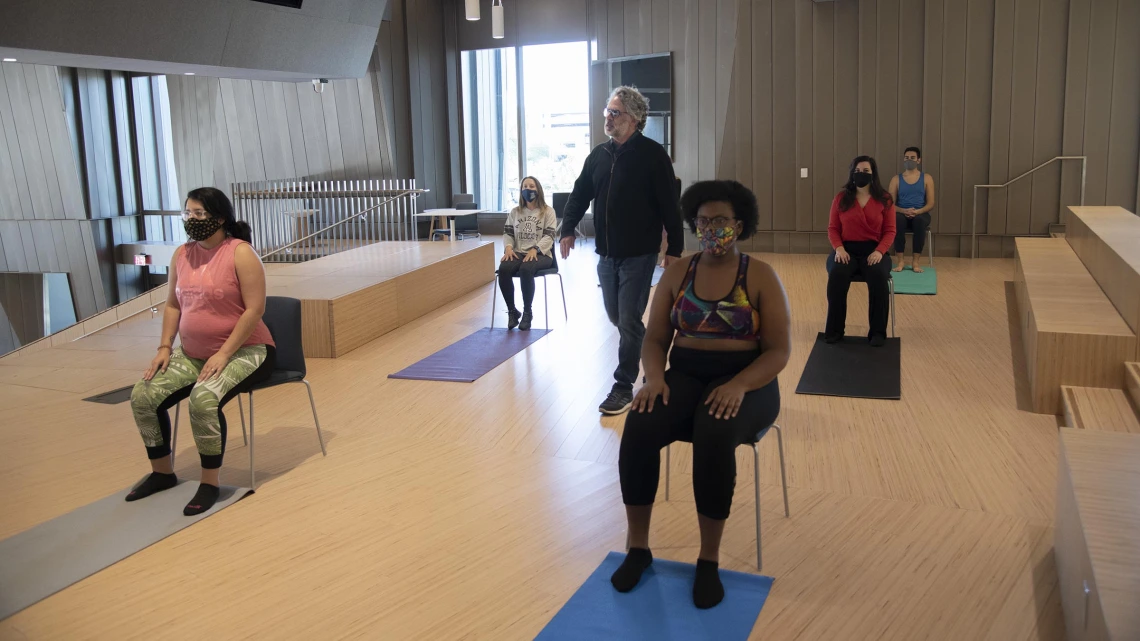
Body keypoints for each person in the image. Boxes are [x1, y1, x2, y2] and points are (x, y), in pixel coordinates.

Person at [611, 180, 790, 608]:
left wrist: (740, 384)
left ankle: (708, 560)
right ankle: (638, 547)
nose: (712, 229)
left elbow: (779, 351)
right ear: (694, 224)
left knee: (713, 433)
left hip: (749, 380)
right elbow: (654, 340)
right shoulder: (678, 272)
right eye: (704, 221)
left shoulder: (760, 275)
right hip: (686, 376)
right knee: (639, 425)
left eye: (722, 221)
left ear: (739, 225)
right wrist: (654, 378)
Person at [127, 187, 276, 516]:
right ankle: (162, 473)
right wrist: (165, 346)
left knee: (203, 399)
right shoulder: (181, 254)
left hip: (245, 350)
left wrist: (223, 353)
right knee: (143, 394)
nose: (191, 220)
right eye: (188, 213)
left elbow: (254, 311)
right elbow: (172, 306)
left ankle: (210, 482)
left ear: (219, 218)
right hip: (193, 353)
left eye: (199, 214)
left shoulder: (240, 253)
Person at [560, 86, 684, 415]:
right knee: (619, 317)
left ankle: (623, 384)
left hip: (640, 255)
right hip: (607, 255)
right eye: (607, 112)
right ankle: (648, 355)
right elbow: (579, 192)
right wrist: (567, 228)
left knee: (628, 317)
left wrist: (674, 248)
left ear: (633, 119)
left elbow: (671, 206)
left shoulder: (653, 156)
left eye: (614, 113)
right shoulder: (599, 156)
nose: (608, 118)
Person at [826, 156, 896, 346]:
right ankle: (834, 330)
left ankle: (877, 332)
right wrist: (839, 249)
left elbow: (890, 231)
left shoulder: (885, 199)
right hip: (846, 249)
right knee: (838, 274)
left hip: (874, 251)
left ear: (873, 174)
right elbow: (833, 228)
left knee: (878, 275)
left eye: (866, 171)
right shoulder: (841, 198)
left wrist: (880, 252)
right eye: (858, 171)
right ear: (852, 173)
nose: (861, 175)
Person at [499, 176, 558, 330]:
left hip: (541, 254)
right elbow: (507, 233)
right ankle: (512, 311)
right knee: (504, 268)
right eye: (525, 186)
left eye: (531, 186)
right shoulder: (515, 212)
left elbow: (550, 235)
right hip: (518, 252)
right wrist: (508, 248)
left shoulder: (547, 211)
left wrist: (535, 249)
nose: (528, 189)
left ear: (537, 189)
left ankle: (527, 312)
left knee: (526, 269)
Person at [888, 146, 935, 272]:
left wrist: (917, 211)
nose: (909, 160)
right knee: (897, 220)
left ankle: (915, 262)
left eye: (912, 158)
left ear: (918, 160)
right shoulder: (896, 179)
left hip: (921, 213)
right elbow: (889, 204)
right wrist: (903, 211)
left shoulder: (927, 178)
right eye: (907, 158)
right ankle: (900, 261)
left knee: (919, 221)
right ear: (903, 160)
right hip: (902, 213)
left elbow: (930, 203)